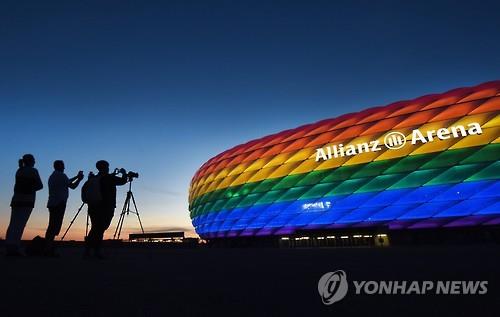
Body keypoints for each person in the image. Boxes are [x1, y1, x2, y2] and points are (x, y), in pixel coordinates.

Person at [85, 160, 127, 258]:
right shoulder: (109, 178)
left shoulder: (94, 177)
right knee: (100, 229)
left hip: (93, 206)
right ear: (106, 167)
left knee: (95, 228)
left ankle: (88, 250)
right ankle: (95, 251)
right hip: (106, 207)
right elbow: (122, 181)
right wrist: (124, 173)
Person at [5, 154, 43, 256]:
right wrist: (30, 189)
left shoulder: (19, 171)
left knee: (13, 224)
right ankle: (14, 247)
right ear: (30, 161)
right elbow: (40, 186)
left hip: (16, 200)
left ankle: (9, 245)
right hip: (27, 201)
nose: (35, 161)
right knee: (20, 225)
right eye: (34, 160)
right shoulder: (33, 171)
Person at [44, 160, 84, 256]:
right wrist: (79, 179)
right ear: (61, 166)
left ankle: (48, 247)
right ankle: (48, 249)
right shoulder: (61, 176)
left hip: (53, 203)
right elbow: (72, 186)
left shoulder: (54, 176)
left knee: (52, 226)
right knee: (54, 227)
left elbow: (67, 182)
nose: (64, 168)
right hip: (59, 204)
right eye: (63, 166)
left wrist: (76, 177)